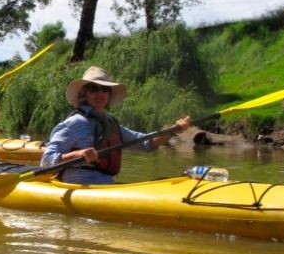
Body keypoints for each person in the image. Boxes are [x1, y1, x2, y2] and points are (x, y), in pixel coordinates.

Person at [41, 66, 191, 185]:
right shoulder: (75, 123)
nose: (100, 94)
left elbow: (146, 143)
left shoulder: (111, 124)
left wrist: (172, 130)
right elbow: (47, 160)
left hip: (107, 185)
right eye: (94, 89)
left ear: (109, 94)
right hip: (80, 186)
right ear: (85, 94)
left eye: (105, 89)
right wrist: (78, 154)